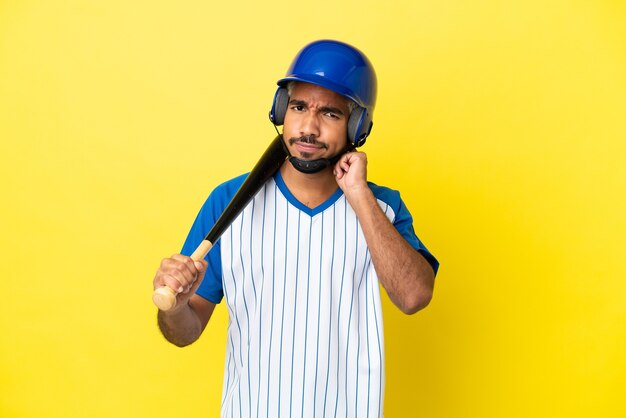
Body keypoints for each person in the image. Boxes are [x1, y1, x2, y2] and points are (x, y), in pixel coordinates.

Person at [153, 39, 439, 418]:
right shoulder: (228, 203)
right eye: (299, 107)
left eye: (332, 114)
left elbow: (414, 297)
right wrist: (178, 307)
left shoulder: (382, 207)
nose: (308, 127)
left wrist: (360, 197)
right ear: (281, 110)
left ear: (358, 126)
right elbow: (184, 332)